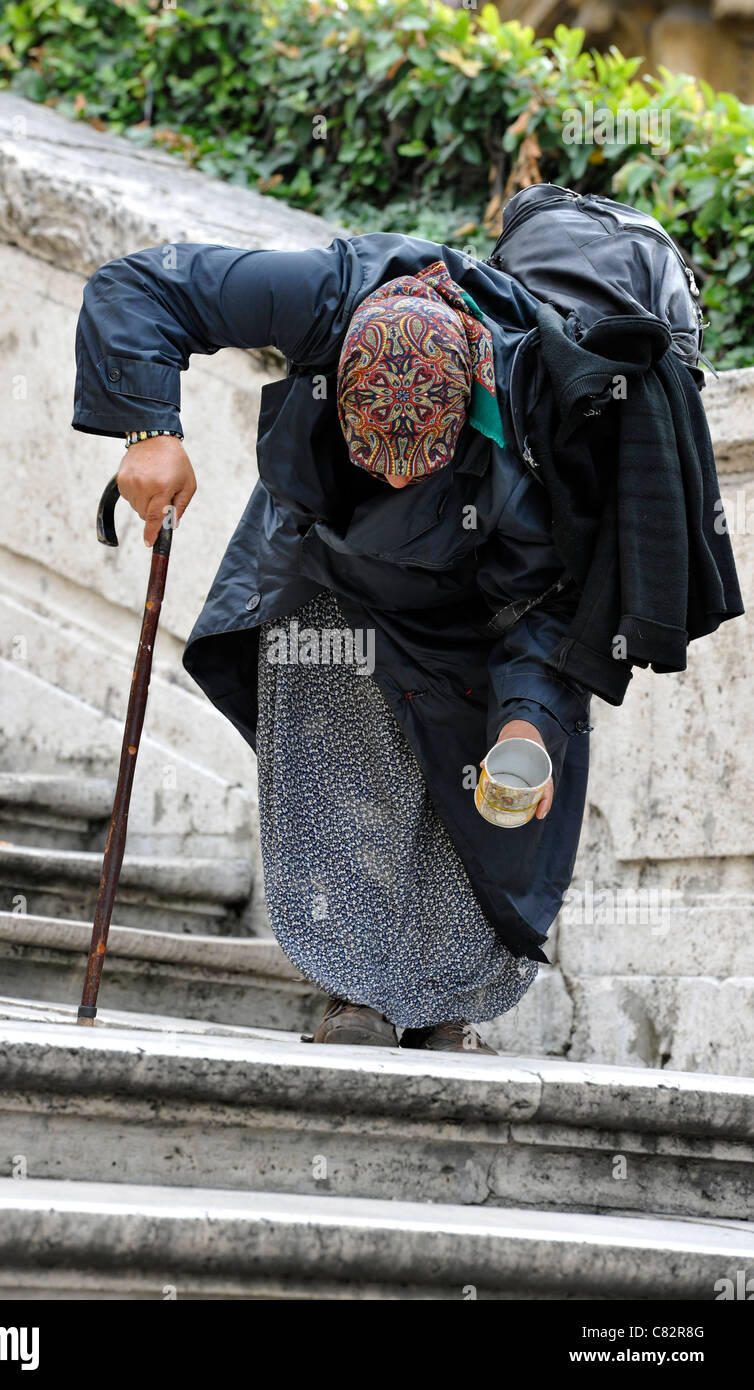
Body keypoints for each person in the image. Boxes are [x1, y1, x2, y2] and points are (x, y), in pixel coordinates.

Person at [72, 234, 594, 1052]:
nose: (392, 477)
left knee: (480, 786)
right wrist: (147, 428)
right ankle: (357, 996)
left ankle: (444, 1009)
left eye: (410, 465)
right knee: (339, 765)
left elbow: (559, 604)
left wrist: (530, 722)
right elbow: (135, 284)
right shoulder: (321, 291)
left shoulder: (540, 409)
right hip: (324, 564)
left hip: (477, 598)